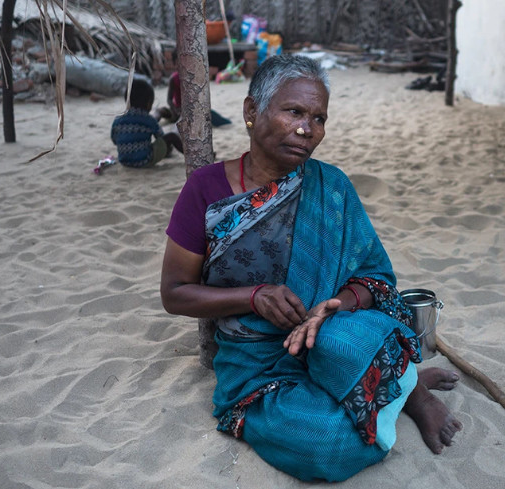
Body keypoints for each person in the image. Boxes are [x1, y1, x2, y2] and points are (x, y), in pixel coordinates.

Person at [160, 54, 462, 482]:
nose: (307, 129)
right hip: (257, 362)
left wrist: (336, 305)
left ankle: (412, 395)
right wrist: (253, 297)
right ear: (252, 111)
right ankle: (400, 386)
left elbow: (376, 279)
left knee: (351, 343)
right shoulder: (205, 190)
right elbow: (174, 293)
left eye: (318, 118)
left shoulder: (331, 186)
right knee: (329, 443)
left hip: (327, 335)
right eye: (294, 112)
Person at [111, 78, 183, 168]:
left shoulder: (117, 120)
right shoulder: (148, 120)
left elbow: (114, 140)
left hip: (124, 161)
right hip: (144, 160)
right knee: (172, 137)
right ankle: (189, 156)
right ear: (149, 104)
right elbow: (160, 136)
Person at [154, 50, 232, 127]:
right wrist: (175, 109)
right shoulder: (173, 79)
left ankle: (225, 123)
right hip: (177, 111)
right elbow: (169, 99)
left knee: (207, 112)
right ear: (175, 64)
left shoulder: (194, 79)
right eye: (180, 63)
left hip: (192, 112)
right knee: (160, 110)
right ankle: (153, 122)